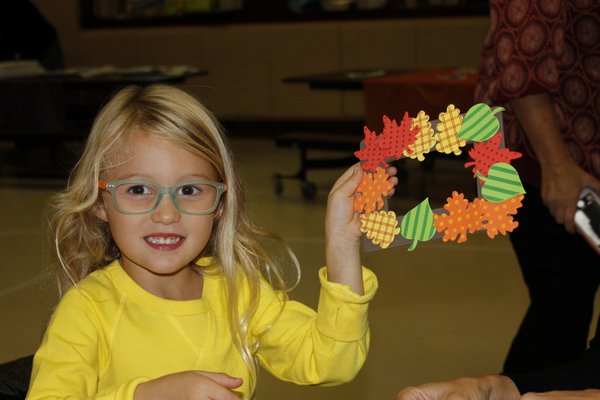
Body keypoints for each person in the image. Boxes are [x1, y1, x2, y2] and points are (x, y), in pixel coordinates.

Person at [25, 84, 398, 399]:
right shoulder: (88, 310)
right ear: (100, 202)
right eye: (138, 189)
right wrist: (146, 394)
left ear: (220, 202)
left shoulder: (241, 291)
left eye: (189, 189)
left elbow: (331, 360)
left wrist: (342, 246)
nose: (167, 213)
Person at [474, 0, 600, 374]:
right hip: (550, 161)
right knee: (561, 311)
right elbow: (519, 64)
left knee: (564, 310)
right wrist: (556, 166)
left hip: (583, 157)